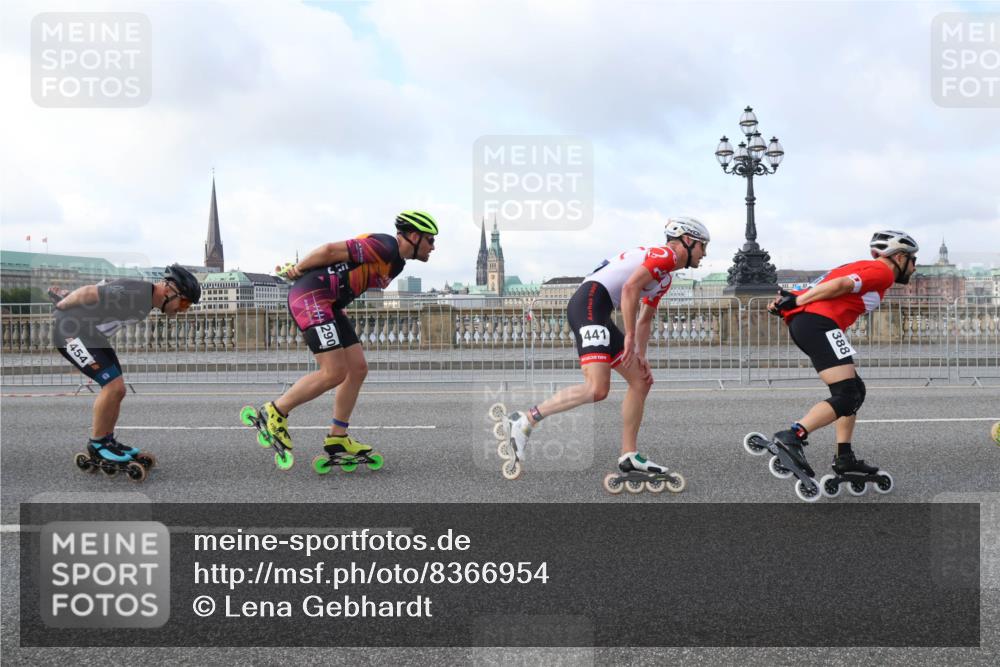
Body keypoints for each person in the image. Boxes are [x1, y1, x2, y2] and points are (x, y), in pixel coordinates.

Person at [503, 216, 710, 480]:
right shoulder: (666, 255)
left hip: (600, 310)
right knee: (597, 388)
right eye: (703, 246)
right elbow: (630, 288)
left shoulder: (666, 278)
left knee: (641, 380)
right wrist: (629, 335)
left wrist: (641, 355)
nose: (704, 254)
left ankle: (629, 455)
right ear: (688, 240)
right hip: (589, 303)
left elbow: (646, 319)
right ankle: (525, 420)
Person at [252, 211, 437, 470]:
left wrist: (340, 306)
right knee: (334, 372)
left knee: (357, 369)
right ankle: (275, 411)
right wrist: (298, 268)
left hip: (330, 304)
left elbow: (350, 275)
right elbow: (330, 251)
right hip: (311, 298)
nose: (433, 247)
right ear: (414, 236)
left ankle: (338, 437)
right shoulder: (385, 246)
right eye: (430, 240)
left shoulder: (397, 264)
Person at [765, 230, 919, 480]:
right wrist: (796, 302)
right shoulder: (882, 272)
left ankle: (844, 457)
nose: (914, 267)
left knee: (855, 390)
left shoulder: (856, 266)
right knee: (847, 394)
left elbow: (818, 287)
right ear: (900, 257)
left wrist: (787, 302)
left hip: (813, 324)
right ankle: (792, 436)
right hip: (819, 324)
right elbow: (840, 285)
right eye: (913, 260)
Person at [54, 264, 202, 476]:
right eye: (185, 302)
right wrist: (62, 304)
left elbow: (103, 291)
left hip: (91, 336)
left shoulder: (145, 299)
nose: (183, 309)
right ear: (169, 290)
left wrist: (67, 297)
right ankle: (98, 444)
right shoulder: (137, 292)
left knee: (119, 389)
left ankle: (106, 440)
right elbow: (89, 292)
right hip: (70, 333)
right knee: (113, 387)